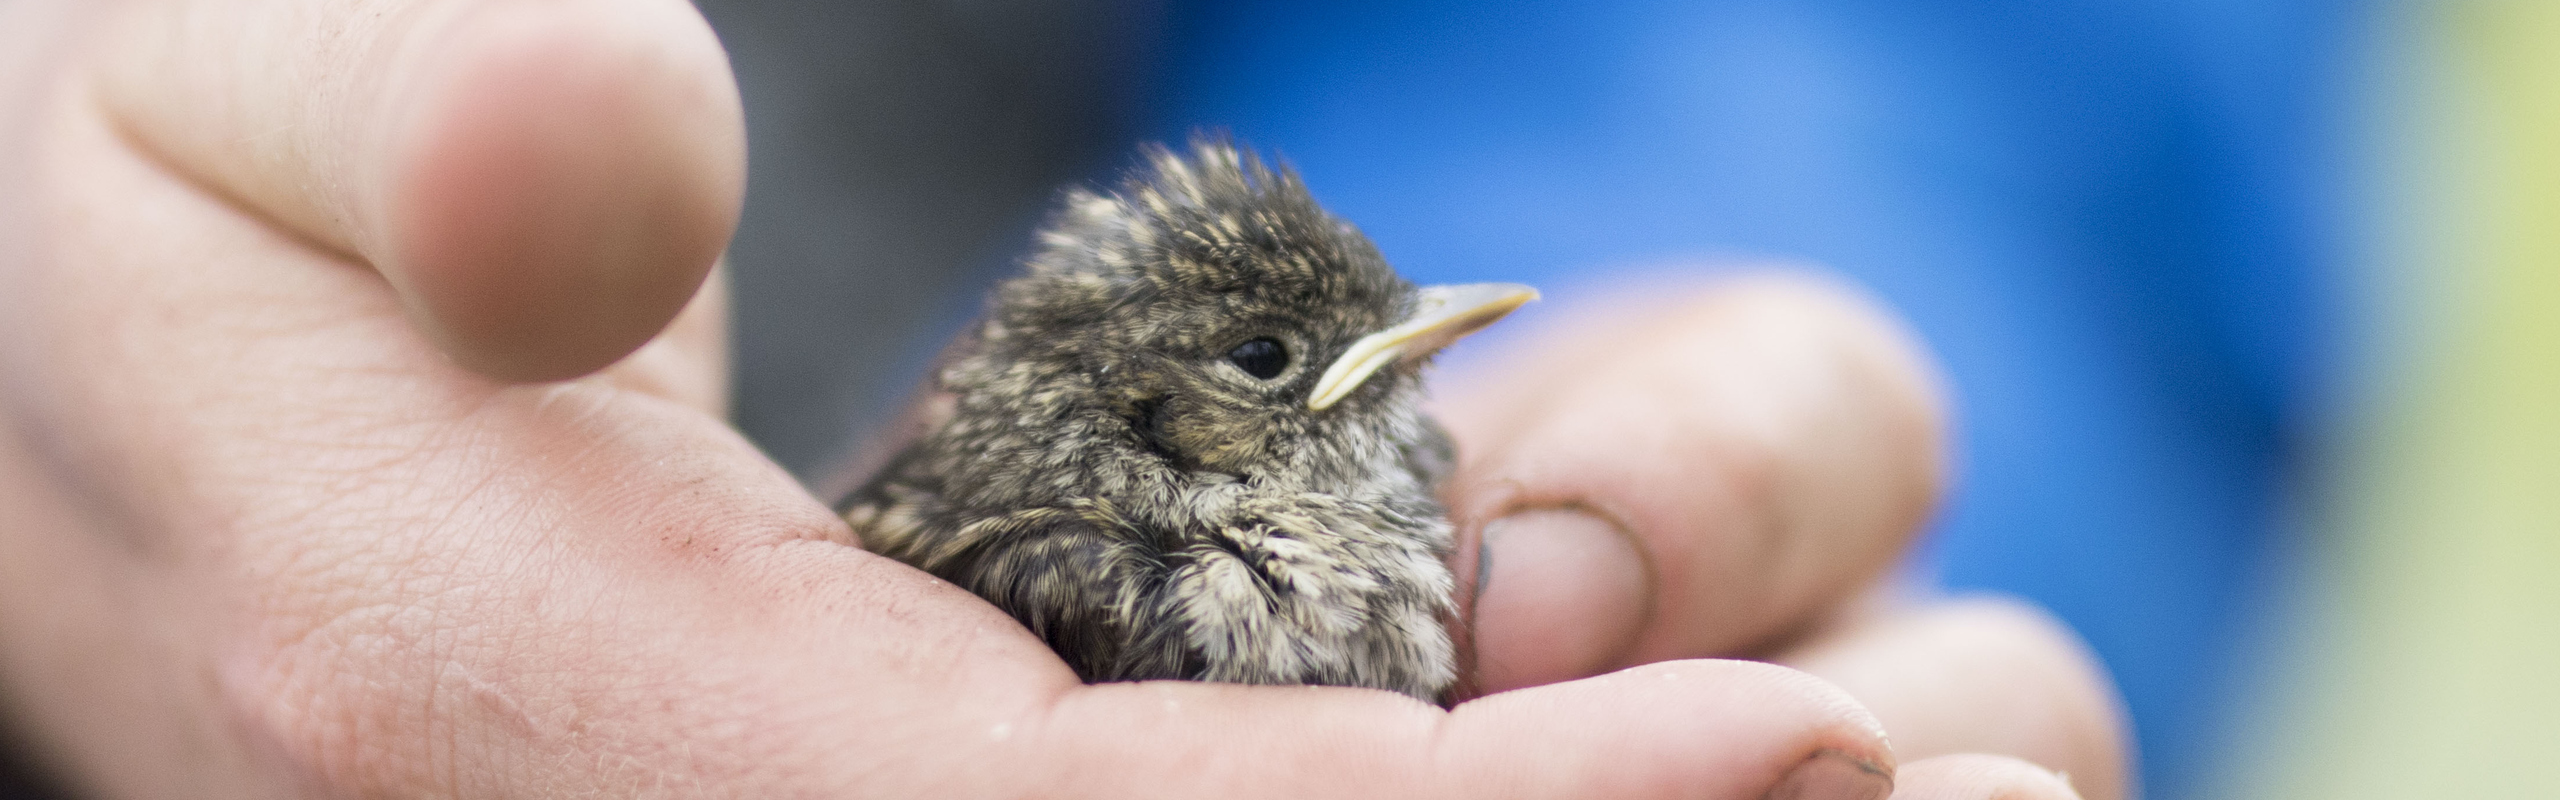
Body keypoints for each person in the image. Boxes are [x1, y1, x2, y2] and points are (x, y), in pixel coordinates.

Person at [0, 1, 2122, 797]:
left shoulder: (1414, 521)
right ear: (1170, 417)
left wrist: (1751, 515)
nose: (1402, 365)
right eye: (1287, 362)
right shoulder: (1042, 554)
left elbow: (1902, 72)